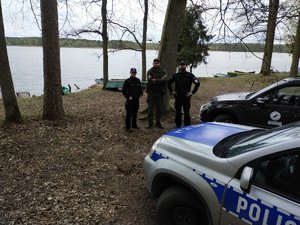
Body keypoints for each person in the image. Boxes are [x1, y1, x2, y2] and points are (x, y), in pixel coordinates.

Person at [167, 61, 200, 128]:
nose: (182, 66)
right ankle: (178, 125)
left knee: (186, 112)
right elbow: (168, 83)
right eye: (181, 65)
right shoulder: (176, 75)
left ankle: (187, 126)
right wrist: (172, 91)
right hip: (178, 96)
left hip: (186, 96)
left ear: (186, 66)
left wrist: (192, 92)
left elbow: (197, 83)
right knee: (178, 112)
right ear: (179, 66)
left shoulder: (190, 75)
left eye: (183, 65)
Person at [146, 58, 168, 129]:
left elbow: (165, 81)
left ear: (159, 64)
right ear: (153, 64)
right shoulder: (149, 71)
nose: (156, 64)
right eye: (155, 63)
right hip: (151, 93)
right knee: (150, 109)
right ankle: (150, 123)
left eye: (157, 63)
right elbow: (150, 81)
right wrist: (160, 80)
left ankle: (158, 122)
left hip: (160, 93)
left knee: (159, 109)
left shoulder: (163, 71)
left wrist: (155, 80)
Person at [122, 68, 143, 132]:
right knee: (129, 114)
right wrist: (128, 97)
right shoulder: (127, 81)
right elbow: (123, 91)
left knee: (135, 113)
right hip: (130, 101)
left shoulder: (138, 80)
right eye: (132, 72)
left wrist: (140, 94)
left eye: (135, 72)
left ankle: (134, 125)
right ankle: (127, 128)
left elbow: (139, 88)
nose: (134, 73)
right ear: (130, 73)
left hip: (136, 100)